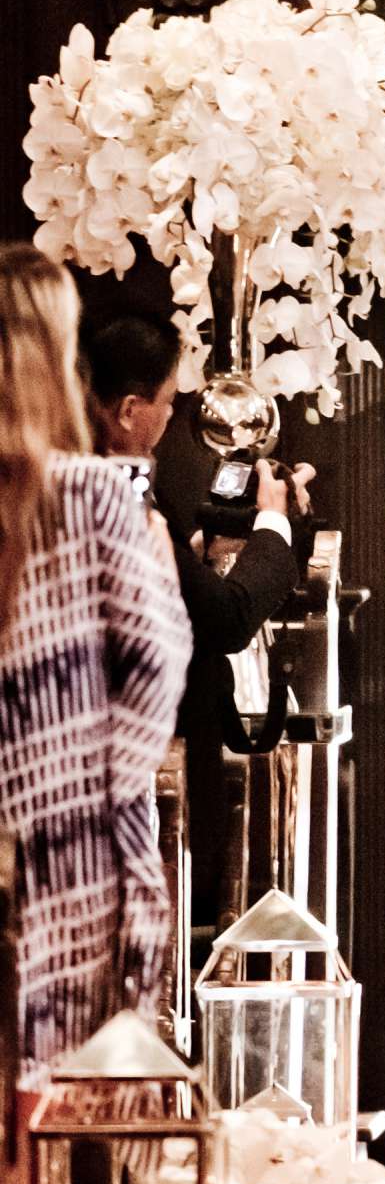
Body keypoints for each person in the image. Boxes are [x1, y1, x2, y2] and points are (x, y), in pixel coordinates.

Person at [0, 247, 190, 1074]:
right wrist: (116, 788)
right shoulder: (98, 495)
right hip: (72, 840)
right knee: (63, 1088)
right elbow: (155, 658)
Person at [81, 312, 314, 928]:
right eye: (166, 401)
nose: (170, 416)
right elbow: (222, 618)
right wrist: (273, 523)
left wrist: (200, 558)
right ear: (132, 410)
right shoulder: (111, 495)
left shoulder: (105, 486)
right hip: (149, 759)